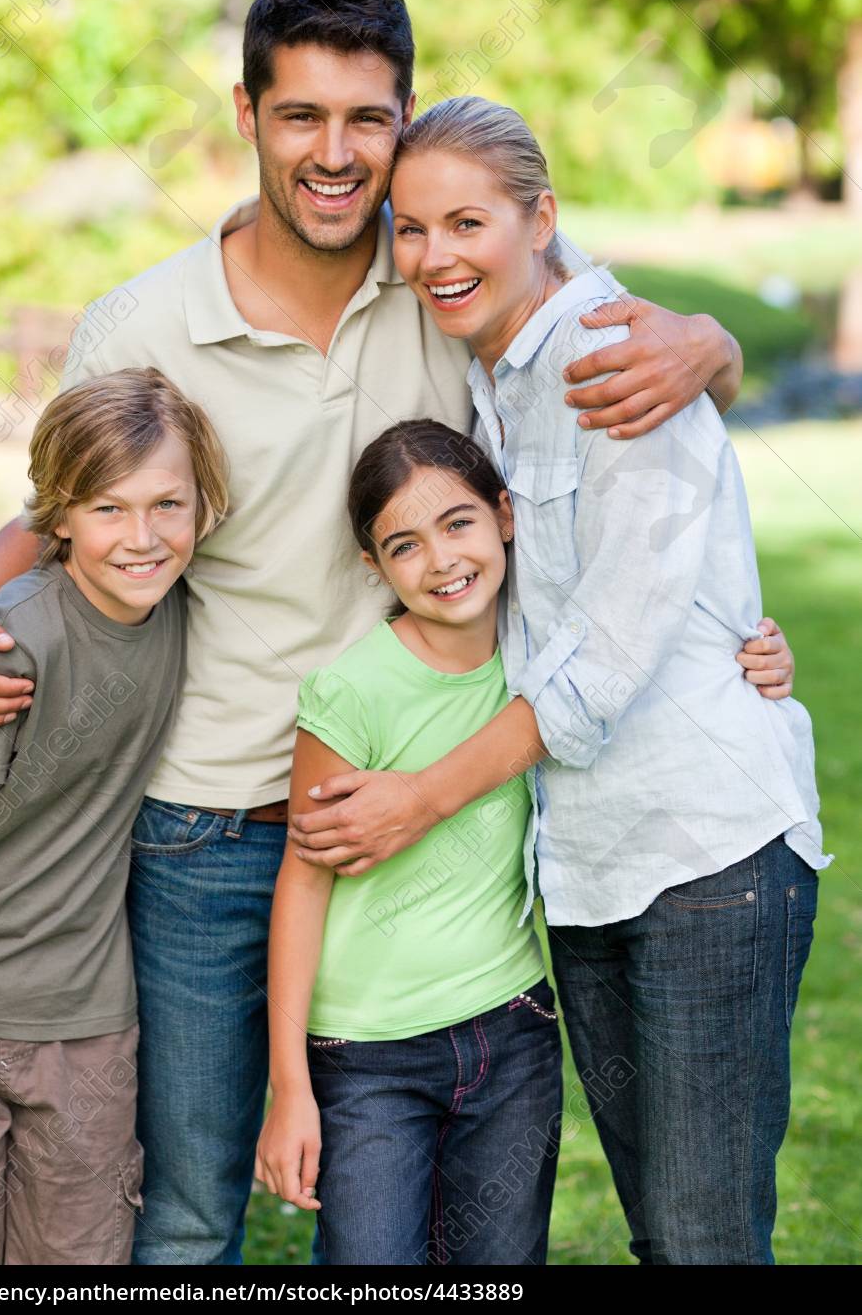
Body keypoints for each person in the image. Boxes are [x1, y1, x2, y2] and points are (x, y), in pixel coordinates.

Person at [0, 0, 792, 1264]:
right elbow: (67, 508)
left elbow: (604, 329)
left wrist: (707, 340)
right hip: (203, 834)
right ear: (246, 113)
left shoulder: (443, 272)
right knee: (192, 1208)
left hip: (437, 819)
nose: (333, 154)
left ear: (404, 118)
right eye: (298, 116)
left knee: (454, 1207)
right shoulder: (142, 324)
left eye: (365, 118)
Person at [292, 96, 830, 1264]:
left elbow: (603, 666)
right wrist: (718, 341)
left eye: (467, 223)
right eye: (413, 228)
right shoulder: (500, 363)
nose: (435, 257)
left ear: (540, 218)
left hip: (707, 851)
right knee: (663, 1234)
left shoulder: (611, 357)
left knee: (701, 1239)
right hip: (586, 868)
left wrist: (417, 797)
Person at [0, 368, 226, 1264]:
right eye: (106, 510)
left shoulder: (178, 602)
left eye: (167, 505)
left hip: (87, 1019)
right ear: (56, 520)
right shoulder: (10, 646)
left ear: (205, 505)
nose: (142, 538)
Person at [256, 421, 561, 1265]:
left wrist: (755, 657)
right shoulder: (352, 692)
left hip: (510, 1029)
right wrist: (290, 1088)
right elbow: (303, 882)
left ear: (503, 516)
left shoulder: (540, 657)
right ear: (375, 567)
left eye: (457, 523)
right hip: (365, 1058)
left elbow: (644, 658)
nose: (441, 560)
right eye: (404, 544)